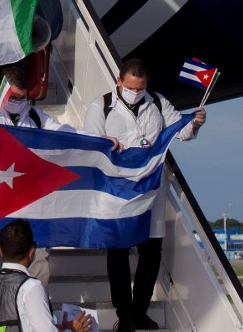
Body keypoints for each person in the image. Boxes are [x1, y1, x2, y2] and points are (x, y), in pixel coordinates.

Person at [83, 58, 206, 332]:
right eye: (130, 87)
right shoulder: (100, 106)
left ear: (146, 84)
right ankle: (124, 313)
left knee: (151, 252)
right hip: (117, 192)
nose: (135, 92)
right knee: (118, 252)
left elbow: (181, 130)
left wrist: (195, 123)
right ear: (119, 81)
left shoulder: (158, 103)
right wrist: (107, 144)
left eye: (140, 88)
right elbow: (90, 143)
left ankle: (140, 311)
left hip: (149, 189)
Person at [0, 65, 76, 288]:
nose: (17, 101)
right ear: (2, 91)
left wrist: (100, 140)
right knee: (1, 269)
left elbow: (65, 133)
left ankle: (34, 310)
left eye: (22, 97)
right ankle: (9, 315)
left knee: (39, 270)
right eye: (12, 97)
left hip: (30, 205)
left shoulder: (35, 117)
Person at [0, 219, 92, 332]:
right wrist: (72, 330)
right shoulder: (31, 287)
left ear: (0, 250)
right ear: (31, 252)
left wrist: (62, 328)